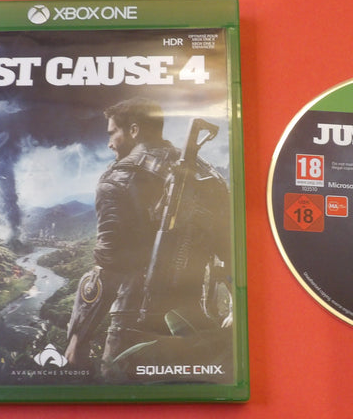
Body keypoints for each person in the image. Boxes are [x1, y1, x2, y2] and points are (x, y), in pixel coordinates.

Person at [65, 98, 230, 380]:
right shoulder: (206, 174)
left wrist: (79, 338)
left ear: (134, 130)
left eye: (112, 133)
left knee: (119, 392)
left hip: (133, 321)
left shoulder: (117, 179)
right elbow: (229, 249)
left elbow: (108, 266)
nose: (110, 143)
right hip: (193, 317)